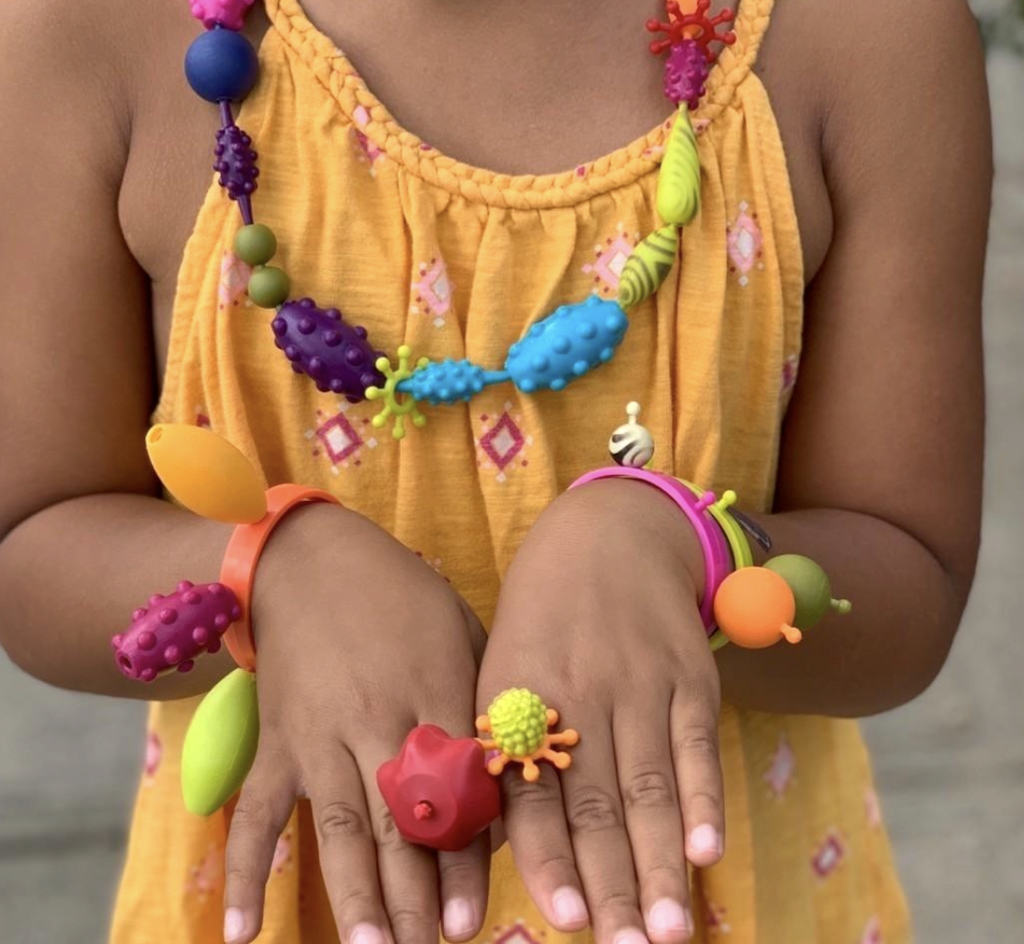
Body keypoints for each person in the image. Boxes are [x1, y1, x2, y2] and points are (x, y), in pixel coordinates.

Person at [0, 0, 991, 942]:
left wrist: (687, 550)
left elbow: (909, 576)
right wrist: (269, 574)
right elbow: (32, 539)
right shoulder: (90, 33)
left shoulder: (862, 36)